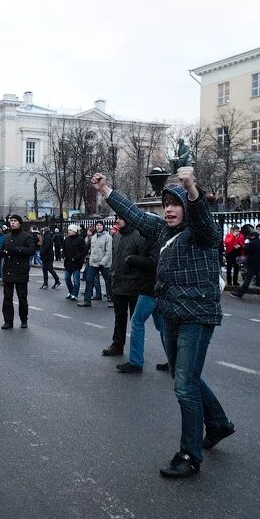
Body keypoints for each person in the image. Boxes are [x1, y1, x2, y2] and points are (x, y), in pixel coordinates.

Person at [95, 166, 234, 478]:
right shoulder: (162, 231)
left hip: (197, 317)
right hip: (171, 313)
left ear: (187, 207)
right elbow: (134, 213)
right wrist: (106, 190)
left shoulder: (203, 233)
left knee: (184, 385)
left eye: (176, 204)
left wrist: (191, 187)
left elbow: (202, 218)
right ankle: (219, 423)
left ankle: (189, 454)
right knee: (186, 377)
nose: (169, 210)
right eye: (166, 204)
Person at [116, 237, 165, 374]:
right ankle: (174, 360)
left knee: (137, 321)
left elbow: (152, 263)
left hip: (150, 288)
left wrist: (133, 259)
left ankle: (135, 362)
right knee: (163, 326)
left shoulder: (154, 241)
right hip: (155, 288)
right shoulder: (155, 239)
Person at [103, 217, 148, 357]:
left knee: (135, 322)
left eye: (121, 218)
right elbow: (114, 257)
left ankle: (135, 353)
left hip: (134, 285)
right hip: (118, 284)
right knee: (119, 317)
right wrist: (112, 273)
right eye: (117, 218)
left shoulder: (138, 236)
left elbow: (145, 261)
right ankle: (117, 344)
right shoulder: (117, 236)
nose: (117, 220)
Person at [0, 214, 36, 330]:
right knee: (7, 298)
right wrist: (2, 253)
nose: (13, 223)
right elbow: (1, 251)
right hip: (8, 270)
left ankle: (24, 319)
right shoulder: (7, 236)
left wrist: (18, 249)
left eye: (15, 221)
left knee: (22, 298)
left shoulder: (26, 236)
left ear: (20, 223)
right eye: (11, 221)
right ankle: (8, 321)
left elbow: (31, 250)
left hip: (21, 271)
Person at [79, 220, 113, 307]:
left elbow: (108, 252)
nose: (98, 227)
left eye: (100, 225)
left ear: (103, 226)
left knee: (108, 281)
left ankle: (112, 299)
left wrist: (103, 262)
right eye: (97, 225)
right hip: (93, 263)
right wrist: (90, 260)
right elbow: (92, 250)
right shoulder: (93, 237)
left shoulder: (108, 237)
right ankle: (87, 300)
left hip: (104, 264)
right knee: (89, 280)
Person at [231, 231, 260, 301]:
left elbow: (247, 250)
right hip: (259, 264)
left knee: (247, 280)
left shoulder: (252, 243)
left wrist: (246, 244)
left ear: (253, 236)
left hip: (252, 264)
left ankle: (240, 293)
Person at [63, 225, 87, 301]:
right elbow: (64, 248)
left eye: (70, 230)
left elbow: (84, 251)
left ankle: (75, 294)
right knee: (67, 278)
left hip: (76, 263)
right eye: (68, 230)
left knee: (76, 280)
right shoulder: (67, 239)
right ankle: (70, 292)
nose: (68, 231)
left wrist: (76, 258)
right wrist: (63, 255)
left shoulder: (80, 239)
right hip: (68, 263)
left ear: (74, 231)